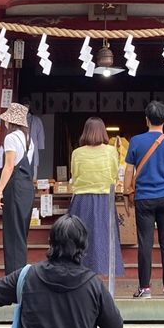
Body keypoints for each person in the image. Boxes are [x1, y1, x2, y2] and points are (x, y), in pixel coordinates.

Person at [123, 100, 164, 299]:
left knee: (145, 243)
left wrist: (126, 195)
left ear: (146, 120)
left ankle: (145, 289)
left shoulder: (136, 141)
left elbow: (128, 171)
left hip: (144, 199)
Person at [67, 117, 124, 278]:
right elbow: (114, 175)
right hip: (104, 199)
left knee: (79, 239)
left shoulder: (77, 153)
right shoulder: (111, 151)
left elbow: (75, 175)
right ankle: (102, 275)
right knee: (104, 238)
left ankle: (79, 275)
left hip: (81, 200)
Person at [0, 102, 37, 274]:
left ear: (10, 121)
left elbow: (9, 166)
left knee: (12, 234)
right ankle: (20, 273)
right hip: (27, 187)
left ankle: (13, 275)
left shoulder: (11, 138)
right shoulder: (29, 139)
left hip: (15, 187)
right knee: (21, 233)